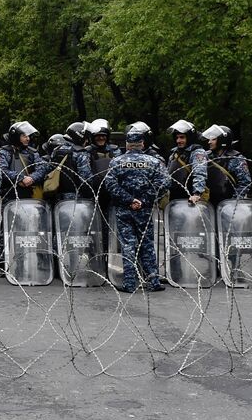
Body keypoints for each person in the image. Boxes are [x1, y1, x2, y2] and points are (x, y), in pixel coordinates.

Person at [103, 126, 168, 292]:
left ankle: (130, 283)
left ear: (127, 144)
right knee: (146, 244)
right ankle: (153, 281)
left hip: (124, 209)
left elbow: (110, 184)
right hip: (144, 210)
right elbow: (165, 183)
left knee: (128, 245)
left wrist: (130, 200)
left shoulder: (117, 162)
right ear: (142, 143)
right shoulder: (153, 162)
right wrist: (144, 200)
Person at [0, 121, 47, 201]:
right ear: (16, 137)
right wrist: (20, 178)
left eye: (28, 136)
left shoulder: (32, 152)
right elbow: (1, 170)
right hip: (10, 196)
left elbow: (41, 168)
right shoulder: (5, 152)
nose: (28, 139)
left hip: (30, 195)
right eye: (24, 136)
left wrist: (31, 178)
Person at [200, 124, 251, 203]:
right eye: (209, 139)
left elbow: (245, 182)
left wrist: (234, 201)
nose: (209, 142)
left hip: (228, 203)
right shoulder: (206, 156)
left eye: (213, 139)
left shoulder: (236, 158)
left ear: (222, 140)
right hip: (207, 202)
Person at [165, 120, 209, 205]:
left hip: (190, 200)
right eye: (177, 137)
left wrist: (196, 194)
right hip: (173, 199)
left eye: (182, 137)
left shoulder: (197, 152)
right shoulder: (174, 153)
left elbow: (199, 173)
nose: (178, 140)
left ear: (189, 137)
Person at [74, 119, 119, 201]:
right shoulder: (87, 151)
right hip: (95, 190)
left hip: (113, 188)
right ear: (92, 137)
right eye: (97, 136)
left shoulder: (115, 150)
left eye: (103, 135)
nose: (101, 138)